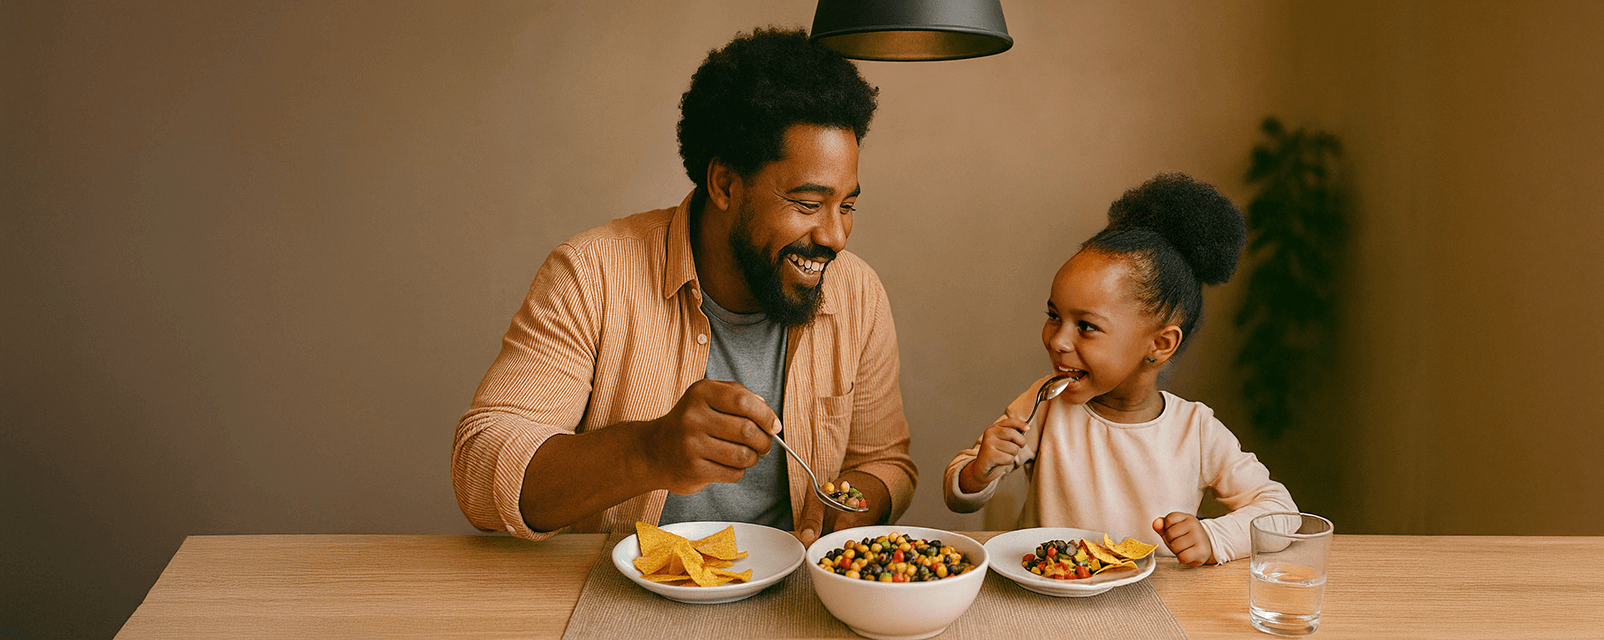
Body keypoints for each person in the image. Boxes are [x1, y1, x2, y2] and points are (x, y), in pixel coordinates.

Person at [453, 27, 914, 544]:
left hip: (793, 600)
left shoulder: (857, 294)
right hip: (620, 601)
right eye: (808, 204)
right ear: (724, 185)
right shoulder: (592, 274)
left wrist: (854, 502)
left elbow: (885, 461)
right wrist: (648, 451)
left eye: (847, 205)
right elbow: (481, 468)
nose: (835, 236)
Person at [943, 173, 1296, 566]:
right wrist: (978, 470)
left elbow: (1281, 513)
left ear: (1160, 345)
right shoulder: (1045, 404)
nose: (1058, 340)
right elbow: (959, 494)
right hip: (1047, 598)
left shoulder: (1194, 431)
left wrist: (1213, 536)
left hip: (1152, 609)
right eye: (1053, 316)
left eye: (1086, 326)